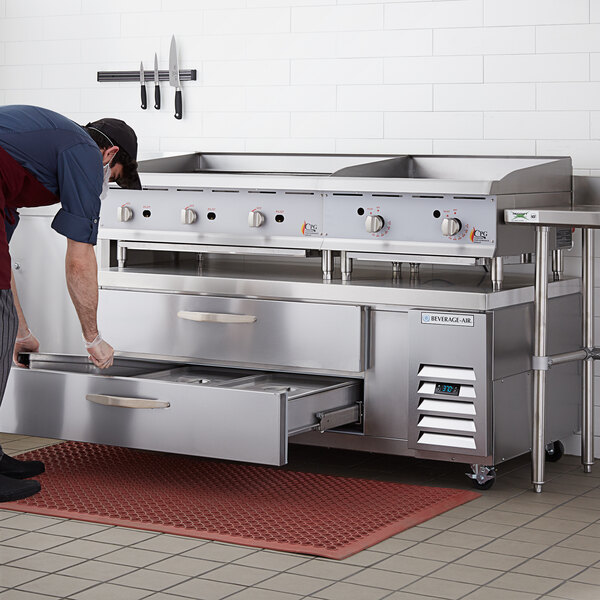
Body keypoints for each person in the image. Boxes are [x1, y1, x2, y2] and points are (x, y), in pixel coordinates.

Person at [0, 105, 141, 502]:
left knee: (1, 324)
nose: (107, 185)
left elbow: (2, 265)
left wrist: (20, 331)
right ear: (110, 155)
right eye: (114, 178)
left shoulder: (39, 146)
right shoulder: (82, 153)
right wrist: (93, 339)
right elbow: (79, 258)